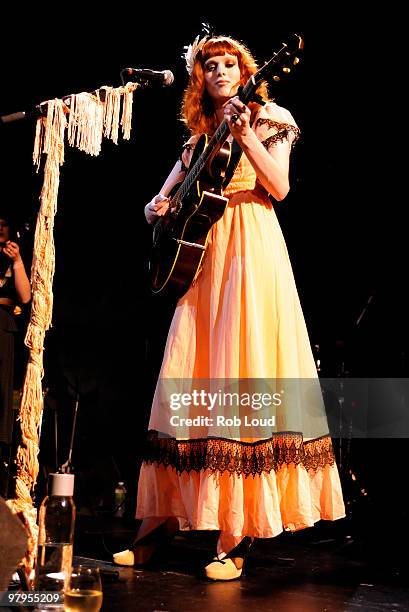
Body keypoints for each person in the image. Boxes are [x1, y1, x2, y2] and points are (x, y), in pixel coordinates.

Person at [114, 33, 346, 580]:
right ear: (199, 78)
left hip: (250, 249)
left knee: (242, 371)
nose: (219, 71)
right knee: (187, 373)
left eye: (228, 63)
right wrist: (156, 207)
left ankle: (235, 533)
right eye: (209, 65)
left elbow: (281, 186)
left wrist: (247, 136)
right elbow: (158, 204)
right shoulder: (197, 139)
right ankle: (159, 525)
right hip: (203, 260)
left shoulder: (270, 116)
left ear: (245, 71)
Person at [0, 211, 31, 453]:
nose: (1, 229)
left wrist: (18, 260)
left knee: (3, 392)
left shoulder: (14, 256)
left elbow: (25, 296)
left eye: (4, 224)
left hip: (4, 323)